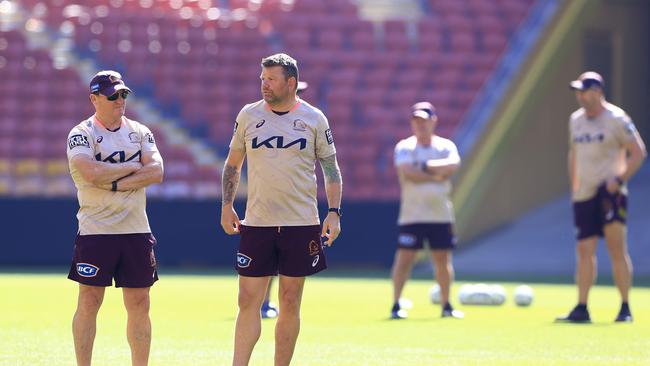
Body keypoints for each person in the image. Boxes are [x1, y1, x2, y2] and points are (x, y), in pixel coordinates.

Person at [220, 53, 342, 366]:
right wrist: (227, 205)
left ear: (291, 83)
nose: (264, 85)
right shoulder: (248, 115)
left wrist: (334, 212)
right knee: (247, 299)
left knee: (289, 300)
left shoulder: (314, 118)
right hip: (257, 222)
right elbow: (233, 164)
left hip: (300, 223)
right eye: (262, 78)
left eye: (271, 79)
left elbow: (331, 169)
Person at [66, 70, 164, 366]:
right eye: (112, 95)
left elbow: (157, 172)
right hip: (96, 231)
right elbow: (90, 172)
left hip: (135, 230)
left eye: (123, 94)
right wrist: (136, 168)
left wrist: (113, 182)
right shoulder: (81, 133)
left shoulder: (140, 130)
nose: (120, 100)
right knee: (89, 302)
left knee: (139, 304)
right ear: (94, 99)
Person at [556, 71, 646, 323]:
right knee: (584, 249)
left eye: (584, 90)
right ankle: (582, 307)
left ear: (597, 91)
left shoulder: (617, 118)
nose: (579, 96)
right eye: (577, 91)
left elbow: (638, 152)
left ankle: (625, 306)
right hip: (584, 193)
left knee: (616, 248)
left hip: (609, 193)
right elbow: (573, 153)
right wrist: (574, 186)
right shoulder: (575, 120)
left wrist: (619, 179)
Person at [390, 102, 463, 320]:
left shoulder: (445, 145)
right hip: (412, 215)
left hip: (440, 215)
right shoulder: (405, 146)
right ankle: (396, 303)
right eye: (416, 121)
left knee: (442, 259)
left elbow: (453, 165)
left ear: (434, 121)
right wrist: (435, 173)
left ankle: (446, 304)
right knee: (405, 259)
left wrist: (422, 166)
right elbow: (408, 172)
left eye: (424, 120)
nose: (420, 125)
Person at [261, 80, 310, 320]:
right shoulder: (264, 119)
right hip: (270, 201)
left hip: (297, 205)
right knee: (268, 261)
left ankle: (278, 305)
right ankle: (264, 301)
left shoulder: (309, 119)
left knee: (291, 267)